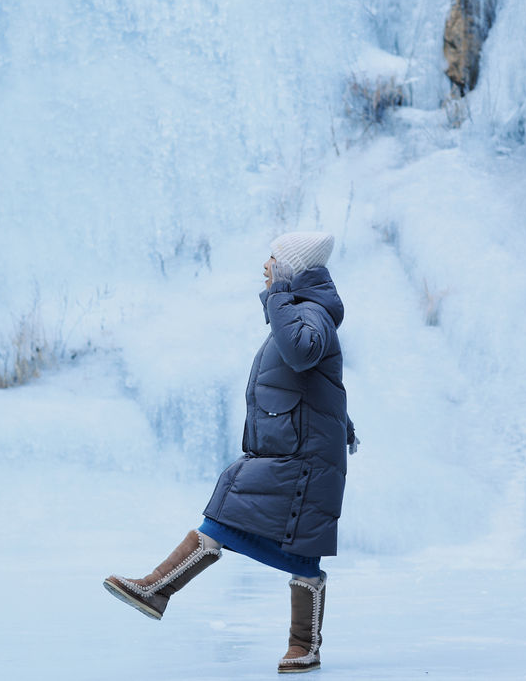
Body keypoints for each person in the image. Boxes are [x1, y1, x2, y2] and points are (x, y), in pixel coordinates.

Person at [104, 231, 358, 674]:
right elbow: (322, 379)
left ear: (292, 268)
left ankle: (159, 590)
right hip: (294, 451)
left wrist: (279, 292)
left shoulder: (309, 311)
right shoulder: (301, 310)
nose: (267, 265)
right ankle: (161, 592)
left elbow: (302, 354)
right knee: (255, 525)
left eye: (275, 259)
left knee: (243, 517)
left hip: (303, 457)